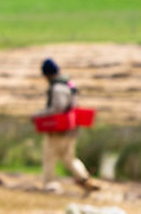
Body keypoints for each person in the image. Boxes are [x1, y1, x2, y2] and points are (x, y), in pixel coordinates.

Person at [31, 58, 100, 193]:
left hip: (58, 129)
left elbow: (57, 109)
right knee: (69, 158)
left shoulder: (57, 88)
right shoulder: (69, 85)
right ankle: (84, 178)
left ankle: (50, 185)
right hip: (71, 129)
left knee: (49, 157)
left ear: (47, 74)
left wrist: (37, 115)